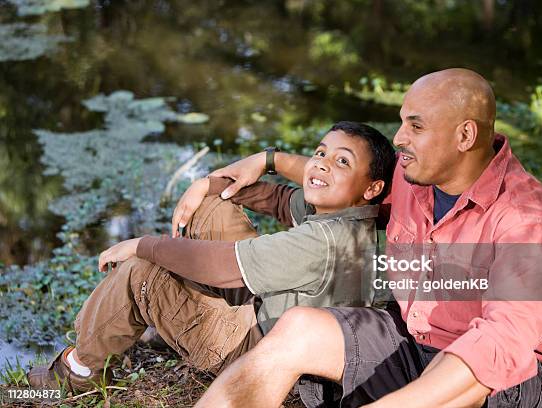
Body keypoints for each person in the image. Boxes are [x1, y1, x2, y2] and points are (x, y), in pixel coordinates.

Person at [194, 69, 542, 408]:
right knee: (298, 327)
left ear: (465, 136)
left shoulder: (526, 215)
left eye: (416, 127)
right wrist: (267, 159)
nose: (399, 138)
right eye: (402, 122)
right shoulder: (414, 179)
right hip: (412, 342)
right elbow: (346, 179)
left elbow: (501, 343)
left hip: (498, 382)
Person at [26, 121, 397, 393]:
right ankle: (174, 316)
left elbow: (223, 267)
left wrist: (142, 244)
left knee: (142, 273)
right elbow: (282, 201)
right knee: (214, 204)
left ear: (372, 187)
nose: (321, 164)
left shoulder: (324, 242)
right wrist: (209, 184)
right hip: (270, 314)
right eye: (320, 153)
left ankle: (78, 373)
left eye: (342, 162)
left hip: (257, 352)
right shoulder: (349, 214)